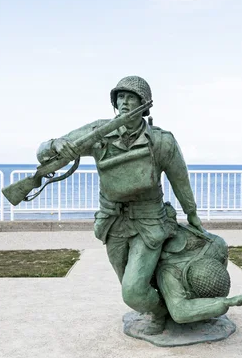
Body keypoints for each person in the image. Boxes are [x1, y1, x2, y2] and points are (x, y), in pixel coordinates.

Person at [37, 76, 203, 334]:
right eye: (121, 97)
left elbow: (180, 180)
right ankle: (161, 306)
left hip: (149, 223)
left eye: (131, 97)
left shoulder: (161, 141)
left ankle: (161, 313)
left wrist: (192, 214)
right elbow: (48, 152)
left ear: (144, 103)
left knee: (133, 291)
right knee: (128, 282)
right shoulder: (99, 133)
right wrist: (54, 145)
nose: (125, 102)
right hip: (112, 223)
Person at [154, 209, 242, 325]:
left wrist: (224, 302)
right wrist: (226, 302)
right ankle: (158, 316)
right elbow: (179, 312)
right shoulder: (170, 273)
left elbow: (179, 311)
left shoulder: (216, 246)